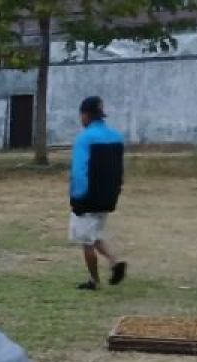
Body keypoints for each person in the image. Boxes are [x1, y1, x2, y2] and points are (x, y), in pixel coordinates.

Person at [69, 96, 126, 290]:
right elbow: (119, 169)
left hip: (88, 198)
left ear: (85, 115)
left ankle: (94, 281)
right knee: (94, 235)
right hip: (108, 197)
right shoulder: (116, 136)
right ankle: (115, 263)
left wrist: (77, 198)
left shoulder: (84, 138)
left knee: (86, 241)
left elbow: (79, 171)